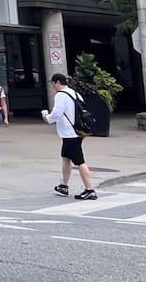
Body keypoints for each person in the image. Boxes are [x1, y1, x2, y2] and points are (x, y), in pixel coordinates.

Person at [42, 72, 97, 200]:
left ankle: (90, 189)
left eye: (53, 84)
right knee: (66, 157)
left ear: (57, 83)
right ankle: (64, 185)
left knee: (79, 161)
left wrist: (47, 118)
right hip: (78, 131)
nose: (53, 86)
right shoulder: (74, 93)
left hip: (70, 133)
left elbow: (57, 112)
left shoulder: (60, 95)